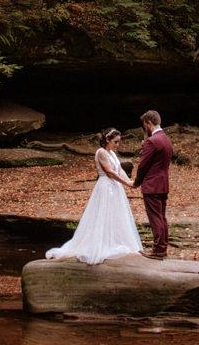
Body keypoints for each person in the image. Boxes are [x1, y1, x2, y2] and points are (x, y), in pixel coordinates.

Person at [45, 128, 142, 264]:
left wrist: (131, 183)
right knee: (103, 214)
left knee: (116, 214)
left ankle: (114, 240)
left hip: (116, 188)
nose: (117, 145)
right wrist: (126, 182)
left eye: (119, 142)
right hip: (105, 187)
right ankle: (99, 243)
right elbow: (109, 172)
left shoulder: (112, 154)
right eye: (115, 142)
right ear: (107, 140)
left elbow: (119, 170)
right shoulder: (101, 152)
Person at [131, 109, 172, 259]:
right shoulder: (166, 139)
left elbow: (143, 165)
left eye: (144, 126)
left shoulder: (152, 141)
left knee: (155, 217)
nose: (144, 129)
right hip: (163, 184)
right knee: (162, 217)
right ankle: (162, 248)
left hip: (152, 185)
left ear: (149, 123)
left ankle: (158, 250)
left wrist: (136, 182)